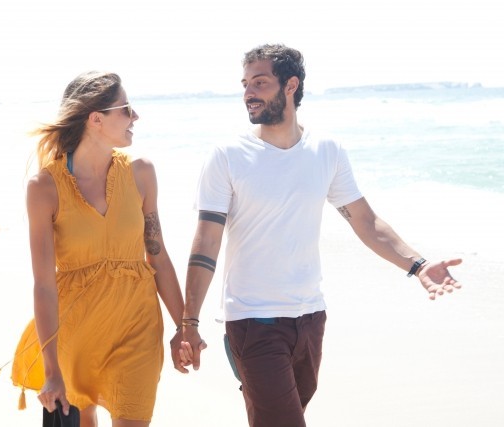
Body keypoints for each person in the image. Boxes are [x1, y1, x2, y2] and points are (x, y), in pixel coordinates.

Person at [173, 44, 463, 427]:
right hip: (253, 321)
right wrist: (189, 323)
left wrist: (418, 265)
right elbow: (206, 243)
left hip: (310, 319)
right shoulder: (228, 155)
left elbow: (365, 221)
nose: (248, 93)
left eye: (259, 83)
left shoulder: (326, 151)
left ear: (290, 85)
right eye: (245, 84)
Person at [7, 71, 185, 427]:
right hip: (77, 333)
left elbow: (158, 256)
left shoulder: (141, 173)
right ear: (96, 119)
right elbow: (44, 285)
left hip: (137, 327)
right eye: (126, 108)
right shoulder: (44, 188)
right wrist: (52, 370)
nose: (136, 116)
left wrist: (185, 326)